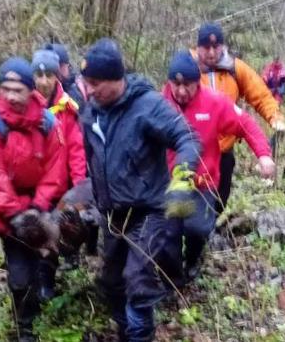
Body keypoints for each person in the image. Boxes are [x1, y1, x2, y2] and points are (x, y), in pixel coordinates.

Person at [79, 39, 201, 342]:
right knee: (110, 283)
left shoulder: (148, 106)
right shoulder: (91, 113)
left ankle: (140, 335)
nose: (89, 90)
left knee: (138, 280)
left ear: (115, 79)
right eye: (86, 83)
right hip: (112, 214)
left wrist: (183, 178)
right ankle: (126, 332)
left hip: (149, 210)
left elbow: (187, 138)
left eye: (95, 83)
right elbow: (91, 160)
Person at [0, 57, 67, 342]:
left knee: (23, 279)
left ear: (30, 91)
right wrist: (19, 216)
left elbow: (55, 171)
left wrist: (37, 210)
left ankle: (26, 330)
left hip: (28, 211)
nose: (10, 95)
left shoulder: (48, 124)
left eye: (17, 89)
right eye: (4, 88)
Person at [163, 51, 275, 282]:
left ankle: (193, 258)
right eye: (176, 85)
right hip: (170, 182)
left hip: (202, 182)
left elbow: (245, 123)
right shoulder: (159, 104)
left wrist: (263, 155)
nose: (182, 91)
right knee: (168, 234)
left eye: (188, 85)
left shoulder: (214, 102)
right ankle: (173, 280)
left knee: (196, 229)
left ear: (198, 83)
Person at [192, 22, 285, 212]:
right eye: (206, 47)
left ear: (223, 46)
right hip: (195, 150)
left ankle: (212, 229)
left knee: (220, 198)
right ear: (198, 48)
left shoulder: (235, 69)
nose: (211, 53)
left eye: (215, 47)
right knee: (195, 201)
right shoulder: (188, 68)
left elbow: (260, 95)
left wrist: (275, 118)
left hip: (225, 149)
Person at [30, 48, 88, 302]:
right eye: (39, 75)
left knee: (52, 233)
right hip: (31, 185)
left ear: (57, 76)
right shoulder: (24, 105)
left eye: (49, 75)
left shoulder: (68, 109)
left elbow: (77, 153)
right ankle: (35, 283)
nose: (43, 81)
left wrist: (78, 191)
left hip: (59, 187)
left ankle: (47, 281)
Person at [45, 41, 88, 107]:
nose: (56, 71)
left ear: (67, 66)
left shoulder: (76, 91)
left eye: (60, 66)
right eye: (51, 67)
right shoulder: (41, 90)